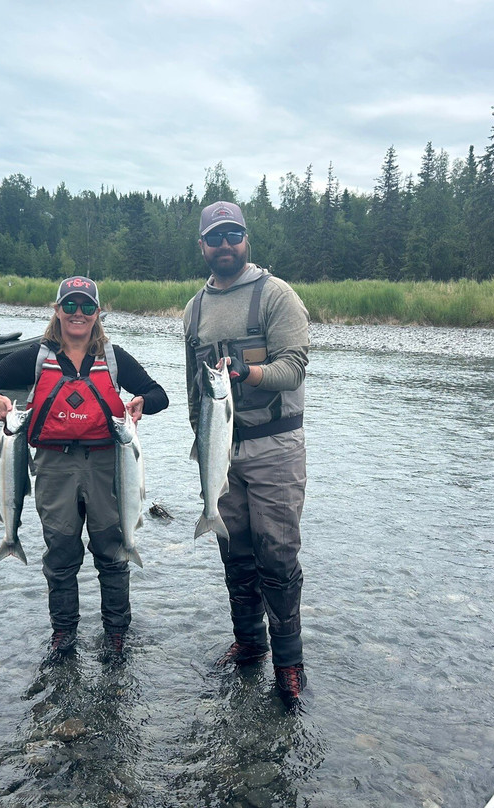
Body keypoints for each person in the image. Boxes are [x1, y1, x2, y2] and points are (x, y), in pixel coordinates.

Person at [0, 276, 169, 661]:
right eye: (70, 306)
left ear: (97, 313)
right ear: (57, 311)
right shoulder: (36, 358)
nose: (78, 314)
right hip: (53, 467)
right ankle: (63, 633)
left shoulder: (113, 357)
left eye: (87, 307)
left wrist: (141, 401)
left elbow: (161, 395)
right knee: (60, 551)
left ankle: (116, 632)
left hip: (108, 465)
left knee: (112, 550)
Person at [183, 201, 311, 705]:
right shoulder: (193, 309)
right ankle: (250, 645)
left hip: (275, 445)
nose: (225, 245)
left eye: (233, 235)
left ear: (246, 240)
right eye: (215, 237)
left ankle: (289, 664)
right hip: (219, 449)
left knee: (276, 553)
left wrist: (249, 374)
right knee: (233, 550)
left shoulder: (276, 295)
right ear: (203, 247)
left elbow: (295, 368)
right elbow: (195, 389)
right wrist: (200, 443)